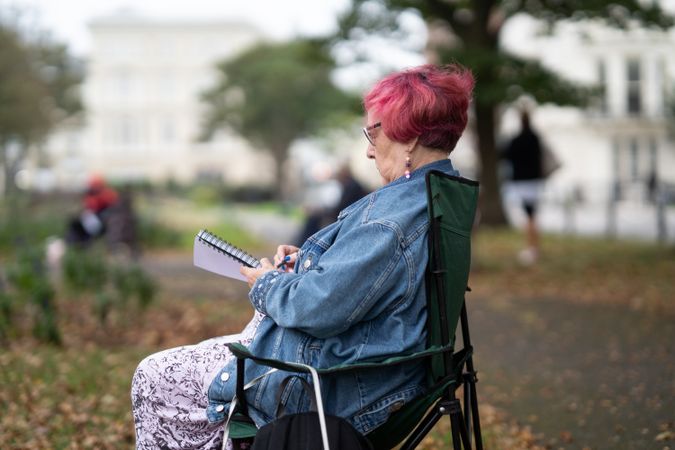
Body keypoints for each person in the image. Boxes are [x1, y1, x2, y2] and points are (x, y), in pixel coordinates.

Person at [131, 64, 475, 450]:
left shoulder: (391, 222)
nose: (368, 148)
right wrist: (306, 262)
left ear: (409, 137)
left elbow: (316, 307)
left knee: (153, 375)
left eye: (373, 131)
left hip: (326, 383)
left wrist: (266, 284)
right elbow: (366, 283)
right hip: (358, 367)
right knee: (178, 374)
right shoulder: (435, 195)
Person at [503, 110, 545, 265]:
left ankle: (531, 248)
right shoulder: (535, 138)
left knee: (529, 217)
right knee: (532, 215)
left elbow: (506, 155)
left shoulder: (516, 140)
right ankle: (534, 247)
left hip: (522, 182)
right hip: (534, 181)